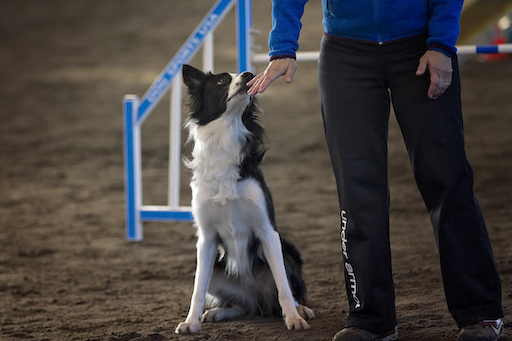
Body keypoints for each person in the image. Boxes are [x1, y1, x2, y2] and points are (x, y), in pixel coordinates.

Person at [247, 1, 505, 340]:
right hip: (346, 55)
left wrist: (441, 42)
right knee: (357, 192)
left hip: (420, 46)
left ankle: (481, 312)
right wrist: (282, 45)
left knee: (446, 180)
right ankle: (370, 317)